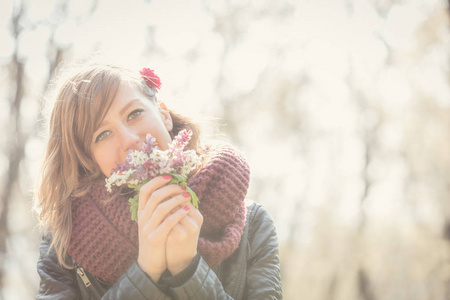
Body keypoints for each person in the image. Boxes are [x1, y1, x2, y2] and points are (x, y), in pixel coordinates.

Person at [34, 62, 282, 299]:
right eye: (103, 134)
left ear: (164, 114)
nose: (129, 139)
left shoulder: (253, 224)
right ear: (87, 158)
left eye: (134, 114)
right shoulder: (65, 241)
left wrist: (188, 270)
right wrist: (145, 271)